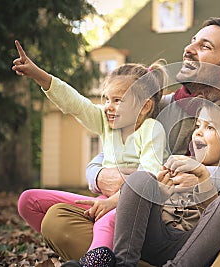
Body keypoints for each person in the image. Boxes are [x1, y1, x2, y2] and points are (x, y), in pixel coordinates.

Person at [40, 17, 220, 266]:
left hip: (217, 232)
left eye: (205, 46)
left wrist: (206, 176)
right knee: (58, 220)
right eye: (192, 41)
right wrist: (97, 175)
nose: (189, 49)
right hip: (153, 230)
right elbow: (115, 142)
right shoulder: (161, 107)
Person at [12, 41, 168, 261]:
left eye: (118, 100)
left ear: (144, 107)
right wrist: (38, 75)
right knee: (28, 200)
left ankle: (97, 260)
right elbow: (75, 103)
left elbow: (147, 178)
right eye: (106, 99)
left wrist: (110, 203)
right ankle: (86, 253)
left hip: (136, 209)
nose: (108, 106)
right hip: (102, 201)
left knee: (105, 221)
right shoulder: (105, 121)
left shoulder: (151, 129)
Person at [72, 95, 220, 266]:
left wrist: (205, 180)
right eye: (198, 125)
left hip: (193, 246)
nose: (198, 132)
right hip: (153, 237)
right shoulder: (177, 165)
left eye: (210, 127)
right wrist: (158, 193)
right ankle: (123, 262)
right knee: (140, 179)